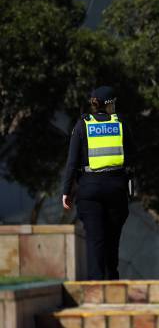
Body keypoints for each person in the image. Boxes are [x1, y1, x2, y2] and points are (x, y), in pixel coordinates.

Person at [62, 86, 134, 280]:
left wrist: (66, 191)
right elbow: (132, 156)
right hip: (116, 188)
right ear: (109, 104)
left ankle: (96, 285)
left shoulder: (82, 125)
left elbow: (72, 162)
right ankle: (112, 282)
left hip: (89, 188)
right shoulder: (120, 124)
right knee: (112, 240)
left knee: (95, 240)